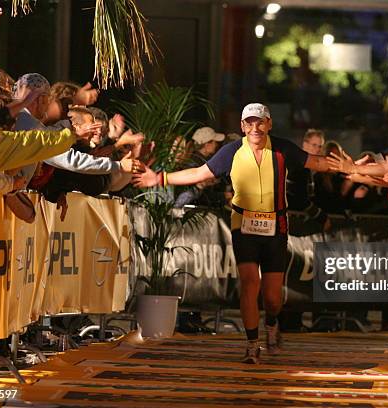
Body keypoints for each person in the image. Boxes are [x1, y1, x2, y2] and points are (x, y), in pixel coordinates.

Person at [133, 103, 331, 364]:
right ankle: (252, 345)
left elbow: (317, 162)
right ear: (242, 126)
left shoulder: (282, 148)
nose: (255, 128)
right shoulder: (231, 152)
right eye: (249, 123)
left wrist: (355, 170)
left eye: (260, 122)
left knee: (272, 297)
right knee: (250, 284)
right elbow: (198, 172)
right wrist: (159, 179)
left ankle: (272, 322)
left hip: (276, 228)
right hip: (244, 225)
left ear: (269, 124)